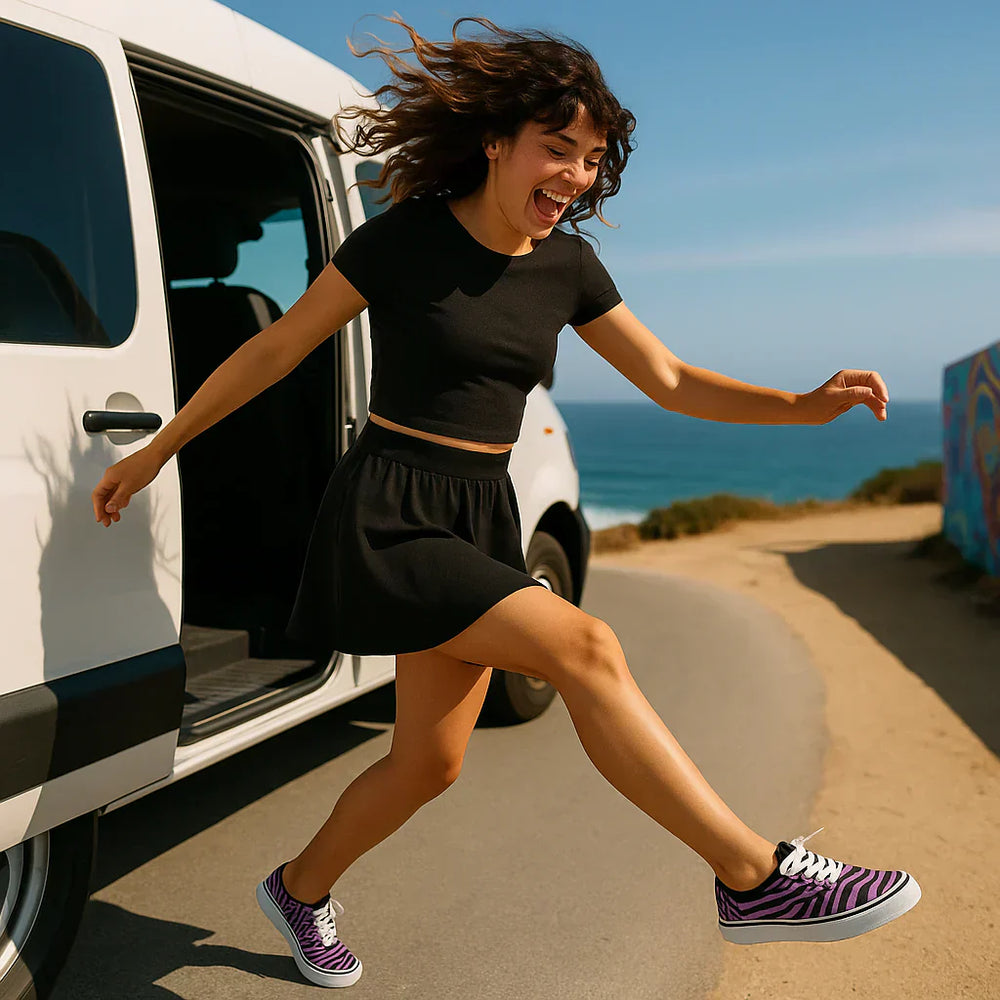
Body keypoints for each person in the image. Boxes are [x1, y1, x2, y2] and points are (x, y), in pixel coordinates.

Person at [91, 15, 920, 990]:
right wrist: (159, 450)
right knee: (588, 647)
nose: (571, 176)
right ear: (496, 142)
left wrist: (803, 407)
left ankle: (298, 888)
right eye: (555, 149)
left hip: (478, 512)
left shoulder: (567, 267)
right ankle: (752, 874)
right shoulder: (403, 240)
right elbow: (277, 349)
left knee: (428, 765)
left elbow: (668, 380)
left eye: (590, 160)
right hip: (391, 510)